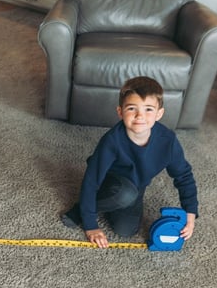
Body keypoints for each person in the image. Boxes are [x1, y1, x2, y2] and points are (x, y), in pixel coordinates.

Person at [61, 76, 197, 248]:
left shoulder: (167, 141)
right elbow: (92, 179)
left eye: (148, 109)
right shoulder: (112, 141)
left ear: (159, 114)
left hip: (137, 186)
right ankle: (82, 208)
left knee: (126, 230)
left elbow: (184, 176)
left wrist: (190, 214)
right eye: (132, 108)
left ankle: (113, 202)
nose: (140, 115)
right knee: (124, 194)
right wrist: (90, 224)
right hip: (108, 180)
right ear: (120, 112)